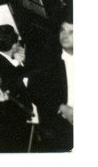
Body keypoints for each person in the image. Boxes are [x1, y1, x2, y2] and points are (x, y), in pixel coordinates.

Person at [29, 13, 73, 152]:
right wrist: (61, 107)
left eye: (71, 32)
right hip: (59, 121)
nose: (64, 36)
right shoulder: (48, 60)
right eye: (62, 30)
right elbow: (35, 90)